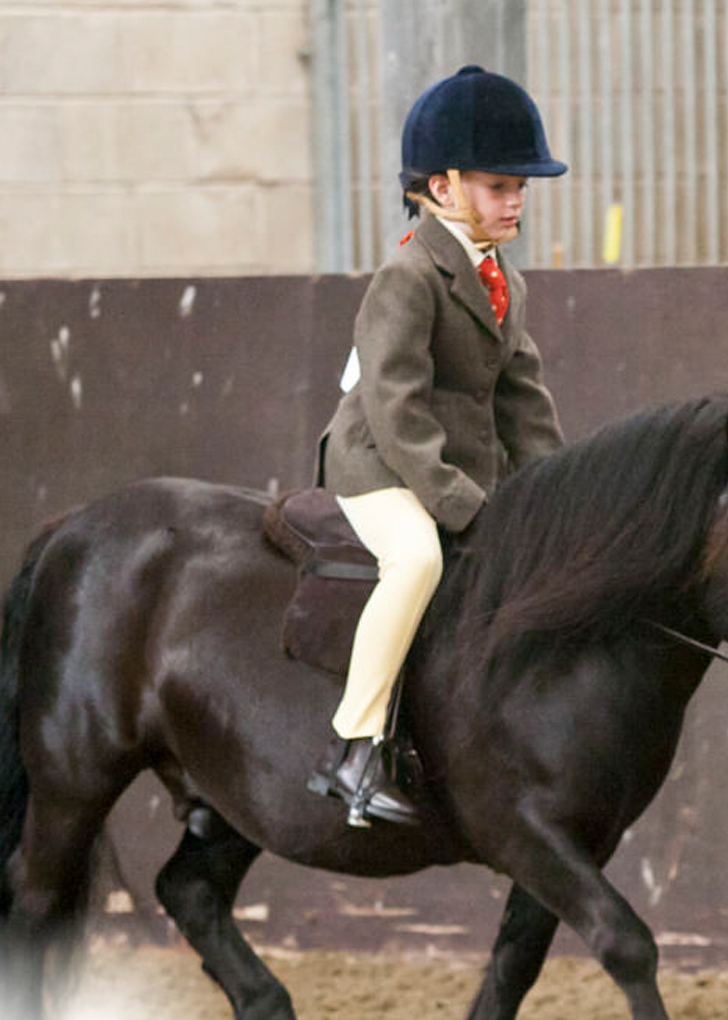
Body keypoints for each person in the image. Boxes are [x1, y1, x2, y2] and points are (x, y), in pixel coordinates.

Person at [309, 63, 566, 828]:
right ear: (443, 187)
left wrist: (559, 495)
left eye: (522, 186)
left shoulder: (504, 282)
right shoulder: (408, 274)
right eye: (499, 185)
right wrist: (461, 503)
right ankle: (354, 745)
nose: (516, 198)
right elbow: (395, 405)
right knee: (418, 558)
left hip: (444, 469)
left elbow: (525, 402)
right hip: (381, 465)